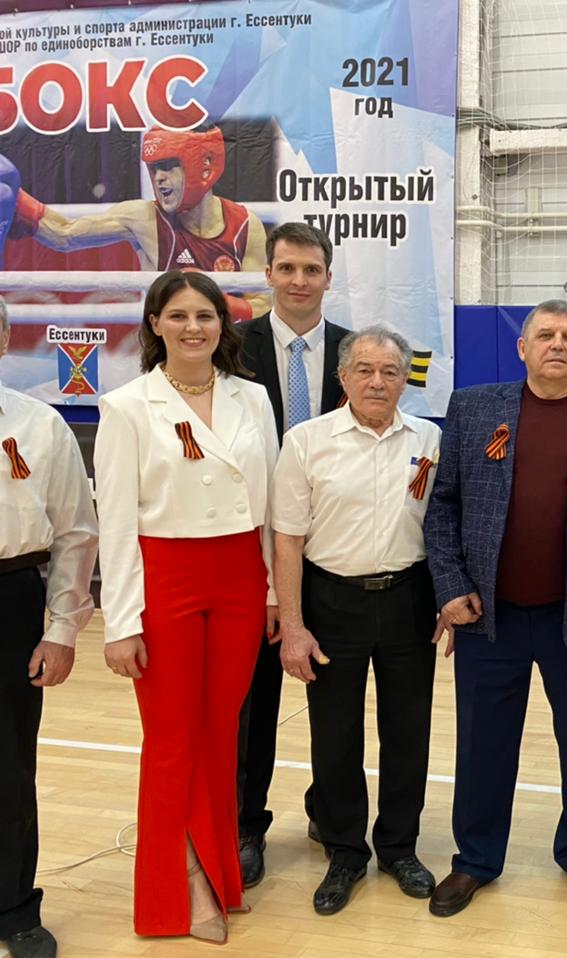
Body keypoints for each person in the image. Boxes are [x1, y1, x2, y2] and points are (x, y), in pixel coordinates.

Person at [424, 299, 567, 917]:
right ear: (522, 348)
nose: (557, 344)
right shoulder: (474, 409)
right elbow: (442, 507)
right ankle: (475, 859)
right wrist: (450, 587)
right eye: (545, 335)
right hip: (486, 614)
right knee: (482, 742)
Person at [94, 270, 278, 944]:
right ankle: (184, 884)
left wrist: (272, 591)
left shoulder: (252, 398)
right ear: (155, 325)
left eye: (205, 315)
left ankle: (218, 871)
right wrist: (121, 624)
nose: (193, 327)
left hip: (239, 578)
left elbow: (269, 504)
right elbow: (116, 524)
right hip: (166, 578)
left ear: (222, 325)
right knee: (172, 739)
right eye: (178, 315)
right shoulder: (126, 407)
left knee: (220, 732)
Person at [273, 325, 442, 916]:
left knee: (408, 731)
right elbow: (287, 539)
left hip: (408, 599)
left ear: (404, 380)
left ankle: (398, 847)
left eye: (390, 371)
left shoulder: (429, 439)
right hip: (331, 602)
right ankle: (345, 851)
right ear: (343, 377)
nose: (377, 381)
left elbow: (443, 526)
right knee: (334, 734)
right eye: (365, 370)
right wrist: (293, 626)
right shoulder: (305, 442)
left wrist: (448, 599)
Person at [235, 222, 350, 889]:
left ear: (328, 277)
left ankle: (329, 813)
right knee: (253, 702)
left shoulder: (356, 352)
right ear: (269, 275)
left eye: (311, 269)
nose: (299, 280)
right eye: (287, 268)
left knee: (334, 697)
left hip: (332, 554)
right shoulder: (232, 348)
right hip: (253, 549)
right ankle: (246, 826)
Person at [0, 298, 98, 958]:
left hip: (9, 597)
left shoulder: (38, 424)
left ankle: (13, 909)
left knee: (9, 767)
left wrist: (62, 627)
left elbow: (75, 531)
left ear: (6, 337)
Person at [5, 125, 268, 318]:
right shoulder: (145, 218)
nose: (159, 177)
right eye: (154, 168)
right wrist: (15, 198)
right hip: (166, 356)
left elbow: (265, 305)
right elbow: (65, 234)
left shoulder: (244, 226)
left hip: (227, 353)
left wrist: (213, 302)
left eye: (168, 165)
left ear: (204, 166)